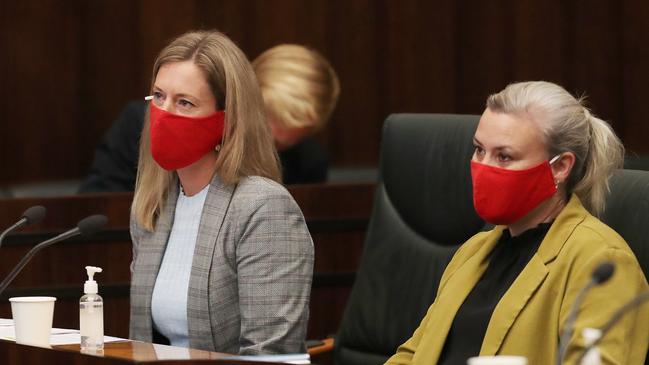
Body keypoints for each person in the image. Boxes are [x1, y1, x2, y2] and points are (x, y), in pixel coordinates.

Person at [385, 81, 649, 365]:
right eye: (478, 150)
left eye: (504, 156)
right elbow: (414, 354)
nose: (484, 166)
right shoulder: (473, 251)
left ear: (560, 166)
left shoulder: (600, 263)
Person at [128, 30, 314, 355]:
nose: (165, 113)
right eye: (158, 97)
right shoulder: (154, 205)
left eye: (184, 102)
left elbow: (271, 352)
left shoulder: (263, 208)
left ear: (225, 121)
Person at [78, 45, 339, 191]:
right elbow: (98, 204)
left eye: (285, 143)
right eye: (268, 115)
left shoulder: (309, 162)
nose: (272, 136)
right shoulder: (146, 123)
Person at [252, 44, 340, 184]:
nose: (268, 138)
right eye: (267, 114)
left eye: (278, 144)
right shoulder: (212, 141)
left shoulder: (309, 163)